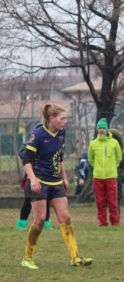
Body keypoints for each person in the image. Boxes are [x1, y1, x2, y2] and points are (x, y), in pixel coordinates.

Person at [19, 104, 93, 269]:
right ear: (51, 119)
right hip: (39, 181)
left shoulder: (61, 133)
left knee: (65, 218)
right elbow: (26, 160)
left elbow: (59, 156)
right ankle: (27, 258)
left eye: (65, 118)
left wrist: (64, 177)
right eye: (62, 119)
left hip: (56, 182)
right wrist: (33, 180)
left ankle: (75, 257)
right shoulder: (38, 135)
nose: (65, 122)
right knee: (39, 221)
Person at [88, 118, 123, 226]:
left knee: (113, 201)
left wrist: (113, 166)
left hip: (111, 176)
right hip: (97, 178)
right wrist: (97, 168)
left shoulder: (114, 142)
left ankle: (115, 222)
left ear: (107, 129)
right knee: (100, 202)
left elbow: (119, 157)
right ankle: (103, 222)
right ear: (97, 130)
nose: (101, 130)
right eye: (99, 128)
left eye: (103, 128)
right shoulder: (93, 144)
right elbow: (90, 159)